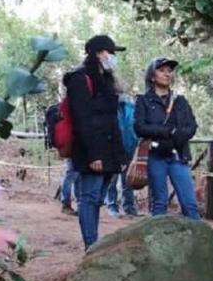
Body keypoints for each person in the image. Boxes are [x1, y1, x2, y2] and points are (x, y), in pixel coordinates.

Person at [65, 34, 128, 250]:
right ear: (99, 53)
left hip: (109, 150)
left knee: (97, 199)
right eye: (111, 52)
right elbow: (82, 120)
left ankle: (94, 242)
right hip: (92, 152)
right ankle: (91, 246)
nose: (113, 57)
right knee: (89, 198)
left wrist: (120, 155)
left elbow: (112, 120)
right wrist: (94, 155)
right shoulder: (79, 78)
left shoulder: (106, 80)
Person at [133, 57, 200, 219]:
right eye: (161, 70)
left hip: (178, 155)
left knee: (189, 204)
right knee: (160, 203)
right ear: (152, 76)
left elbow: (191, 126)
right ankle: (158, 242)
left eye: (169, 71)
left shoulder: (180, 100)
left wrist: (175, 139)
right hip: (156, 156)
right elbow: (140, 127)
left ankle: (196, 242)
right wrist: (167, 132)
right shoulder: (143, 100)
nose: (167, 74)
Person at [105, 94, 139, 217]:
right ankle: (112, 205)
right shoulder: (107, 108)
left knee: (128, 179)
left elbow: (135, 125)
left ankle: (129, 207)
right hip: (112, 149)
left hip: (130, 146)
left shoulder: (131, 107)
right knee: (112, 179)